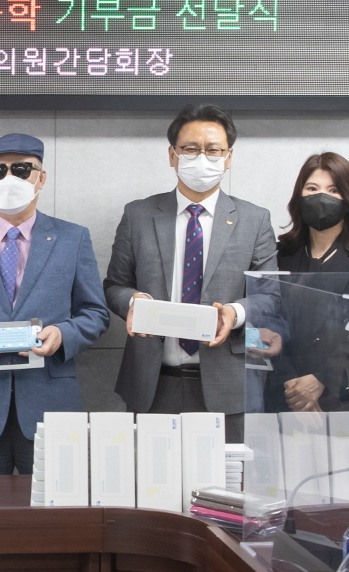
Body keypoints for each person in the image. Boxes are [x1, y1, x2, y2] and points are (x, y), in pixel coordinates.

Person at [0, 133, 109, 475]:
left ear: (41, 178)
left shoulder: (73, 238)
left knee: (53, 507)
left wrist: (64, 334)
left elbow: (95, 312)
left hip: (50, 405)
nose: (9, 178)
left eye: (22, 169)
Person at [104, 105, 278, 439]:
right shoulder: (139, 215)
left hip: (227, 384)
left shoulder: (254, 219)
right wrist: (132, 302)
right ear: (173, 155)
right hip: (153, 382)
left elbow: (270, 294)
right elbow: (115, 285)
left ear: (228, 157)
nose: (202, 158)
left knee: (227, 474)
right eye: (191, 149)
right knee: (150, 473)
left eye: (213, 150)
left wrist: (235, 313)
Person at [266, 152, 349, 428]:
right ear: (299, 196)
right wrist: (293, 385)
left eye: (333, 190)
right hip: (286, 391)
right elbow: (269, 318)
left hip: (347, 392)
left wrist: (319, 380)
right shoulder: (281, 253)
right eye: (312, 188)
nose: (322, 196)